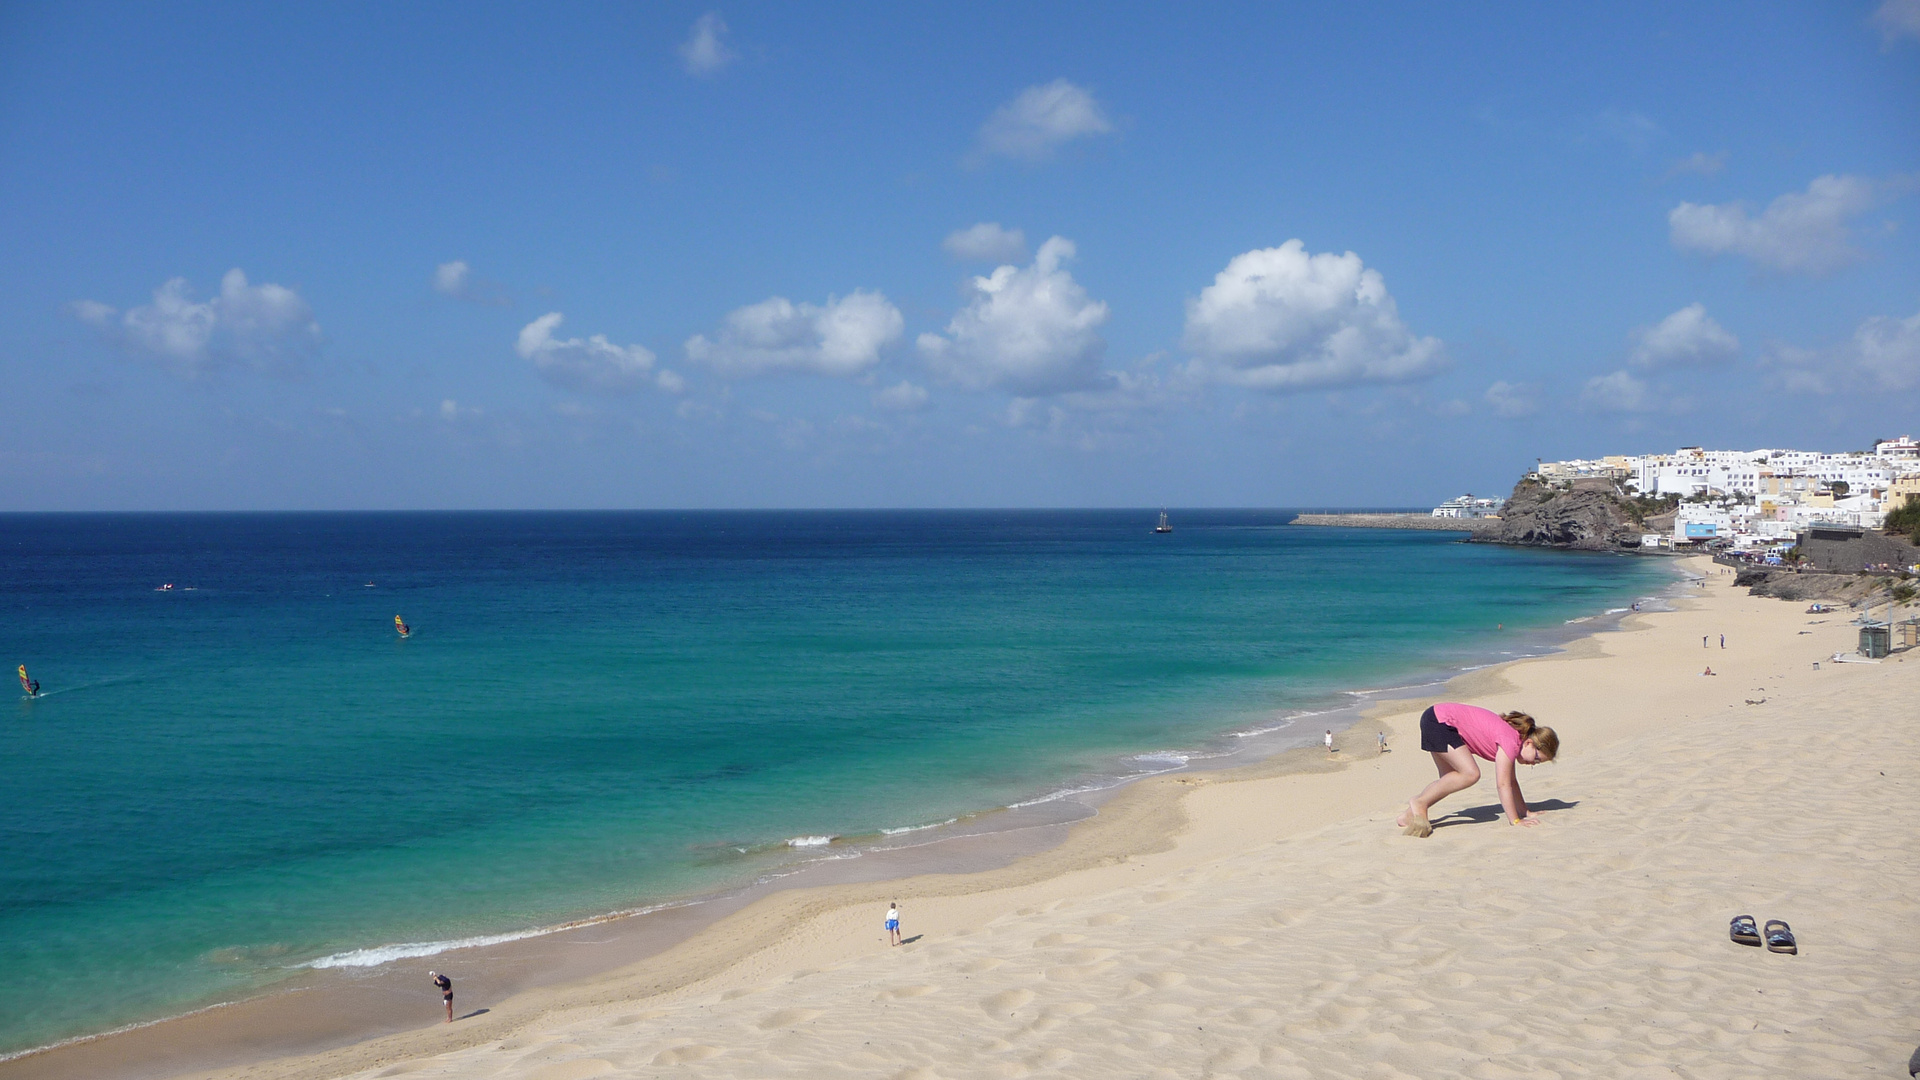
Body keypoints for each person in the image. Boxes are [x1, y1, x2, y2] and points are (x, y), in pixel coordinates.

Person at [1396, 703, 1558, 838]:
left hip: (1435, 718)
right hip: (1440, 722)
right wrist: (1515, 821)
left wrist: (1526, 812)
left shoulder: (1512, 740)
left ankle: (1408, 815)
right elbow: (1503, 785)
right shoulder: (1511, 741)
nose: (1533, 763)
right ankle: (1419, 803)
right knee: (1471, 774)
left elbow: (1511, 782)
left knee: (1449, 780)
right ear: (1529, 743)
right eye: (1536, 758)